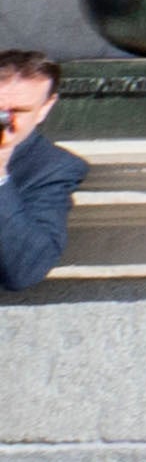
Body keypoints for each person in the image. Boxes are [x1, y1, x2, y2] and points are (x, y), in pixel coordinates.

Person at [0, 50, 65, 296]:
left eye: (19, 111)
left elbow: (25, 271)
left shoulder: (50, 168)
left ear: (44, 108)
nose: (6, 122)